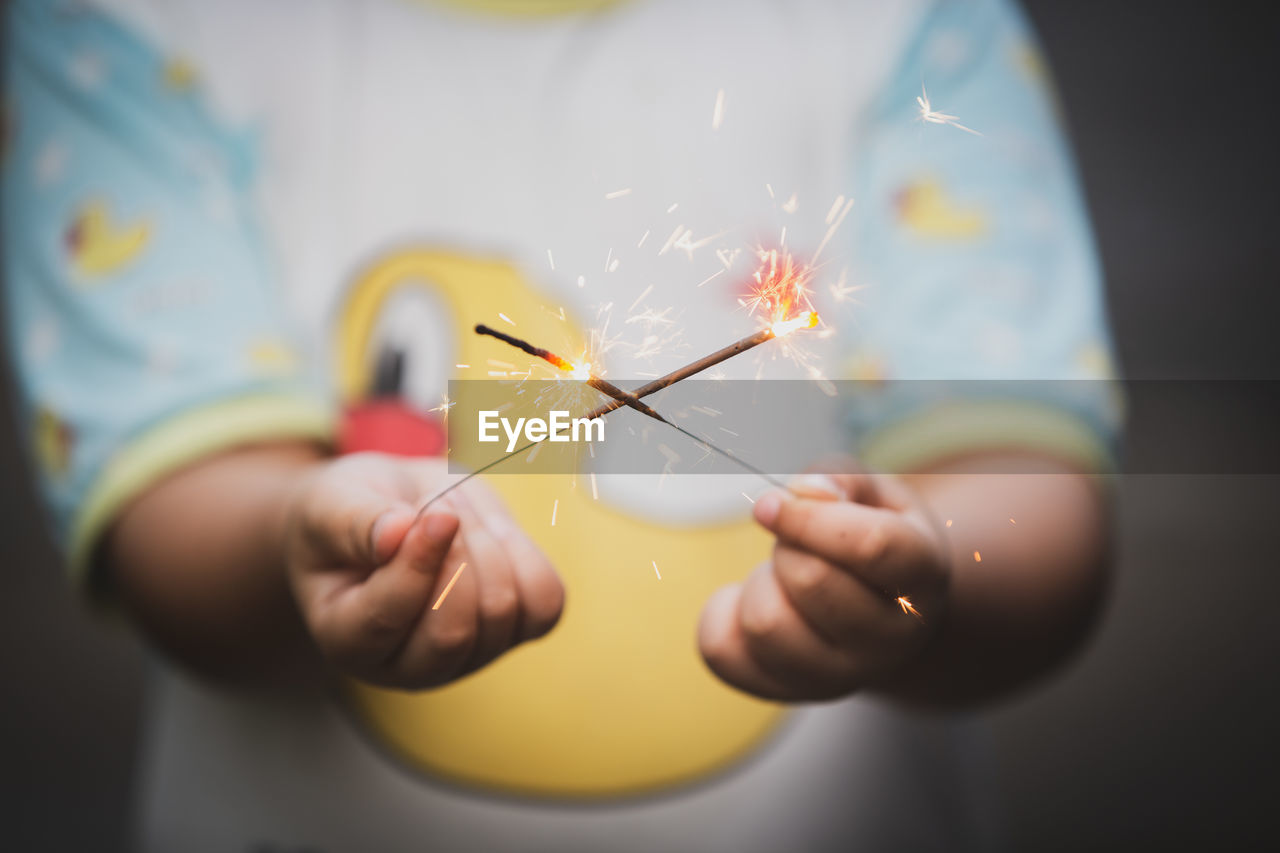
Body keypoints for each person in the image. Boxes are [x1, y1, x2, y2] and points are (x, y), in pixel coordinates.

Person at [2, 0, 1117, 850]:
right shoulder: (130, 27)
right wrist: (299, 543)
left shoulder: (907, 26)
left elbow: (1023, 487)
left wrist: (925, 581)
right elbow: (168, 514)